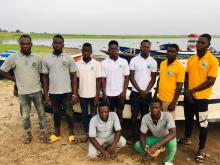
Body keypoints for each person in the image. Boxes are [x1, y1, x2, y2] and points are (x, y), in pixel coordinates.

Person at [178, 34, 219, 163]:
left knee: (202, 123)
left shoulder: (213, 60)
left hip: (202, 99)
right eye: (198, 42)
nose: (199, 45)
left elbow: (211, 81)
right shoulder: (191, 59)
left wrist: (192, 91)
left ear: (208, 45)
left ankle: (201, 149)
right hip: (189, 97)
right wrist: (187, 92)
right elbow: (186, 76)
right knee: (188, 119)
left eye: (202, 43)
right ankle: (187, 138)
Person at [0, 35, 47, 144]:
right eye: (23, 44)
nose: (25, 46)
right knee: (25, 116)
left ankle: (43, 133)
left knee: (41, 114)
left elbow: (43, 74)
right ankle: (28, 134)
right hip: (22, 93)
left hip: (37, 91)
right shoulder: (13, 57)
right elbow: (2, 70)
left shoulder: (38, 58)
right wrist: (14, 79)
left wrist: (45, 92)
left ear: (31, 44)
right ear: (20, 44)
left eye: (27, 44)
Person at [42, 34, 78, 144]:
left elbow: (73, 76)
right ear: (52, 44)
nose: (57, 44)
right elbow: (44, 77)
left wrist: (74, 93)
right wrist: (46, 94)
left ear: (63, 44)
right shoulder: (46, 59)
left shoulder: (68, 58)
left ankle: (71, 134)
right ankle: (57, 134)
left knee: (69, 113)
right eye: (55, 42)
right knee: (56, 113)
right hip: (53, 92)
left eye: (60, 43)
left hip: (67, 92)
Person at [129, 40, 157, 143]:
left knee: (146, 116)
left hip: (147, 94)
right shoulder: (134, 60)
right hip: (135, 93)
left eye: (147, 47)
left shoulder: (153, 62)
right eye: (143, 46)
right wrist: (139, 90)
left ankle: (143, 135)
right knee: (134, 115)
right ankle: (133, 135)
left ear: (150, 48)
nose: (145, 48)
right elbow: (131, 77)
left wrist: (146, 90)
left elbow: (153, 78)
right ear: (140, 47)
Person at [134, 99, 177, 165]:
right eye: (152, 107)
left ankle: (168, 161)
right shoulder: (145, 117)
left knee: (173, 142)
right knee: (137, 145)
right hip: (155, 138)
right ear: (149, 107)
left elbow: (173, 133)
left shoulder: (167, 115)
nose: (154, 109)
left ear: (161, 108)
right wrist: (145, 148)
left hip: (166, 139)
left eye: (157, 107)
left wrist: (156, 146)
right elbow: (142, 134)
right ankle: (150, 153)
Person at [101, 40, 129, 124]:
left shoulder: (124, 62)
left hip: (120, 93)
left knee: (120, 113)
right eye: (111, 48)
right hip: (109, 94)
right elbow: (103, 79)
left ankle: (119, 131)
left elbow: (127, 77)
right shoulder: (103, 63)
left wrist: (124, 92)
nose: (113, 50)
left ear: (118, 49)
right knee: (110, 114)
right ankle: (111, 131)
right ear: (108, 50)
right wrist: (104, 93)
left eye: (115, 49)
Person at [76, 43, 101, 138]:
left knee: (94, 114)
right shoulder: (77, 64)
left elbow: (98, 80)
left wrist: (97, 95)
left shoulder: (96, 64)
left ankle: (93, 132)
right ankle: (86, 132)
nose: (86, 53)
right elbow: (76, 80)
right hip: (82, 94)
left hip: (93, 94)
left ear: (91, 52)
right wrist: (76, 93)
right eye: (84, 51)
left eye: (88, 51)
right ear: (81, 51)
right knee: (84, 114)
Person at [155, 44, 185, 119]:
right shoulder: (163, 63)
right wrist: (155, 94)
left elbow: (179, 86)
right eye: (168, 51)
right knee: (160, 121)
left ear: (177, 53)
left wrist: (173, 103)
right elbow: (160, 79)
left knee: (169, 124)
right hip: (160, 98)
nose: (169, 53)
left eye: (172, 52)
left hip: (169, 100)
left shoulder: (180, 67)